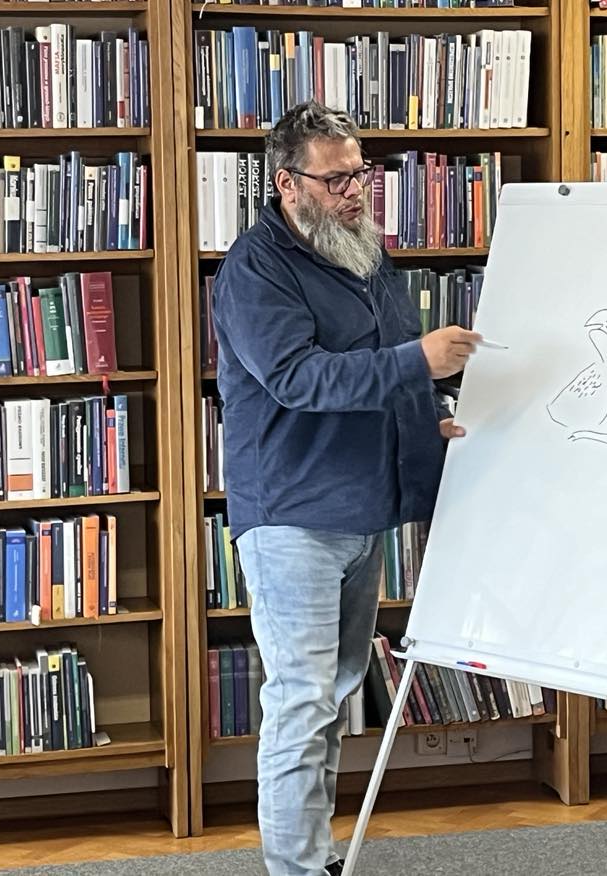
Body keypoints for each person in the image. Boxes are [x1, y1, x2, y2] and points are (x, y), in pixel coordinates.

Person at [210, 100, 481, 876]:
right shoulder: (254, 269)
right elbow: (298, 378)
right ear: (287, 183)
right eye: (336, 180)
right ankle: (296, 868)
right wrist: (418, 362)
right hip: (292, 513)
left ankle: (316, 856)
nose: (355, 190)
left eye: (360, 173)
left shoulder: (364, 251)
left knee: (332, 693)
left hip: (364, 509)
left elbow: (384, 369)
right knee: (302, 697)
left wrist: (425, 425)